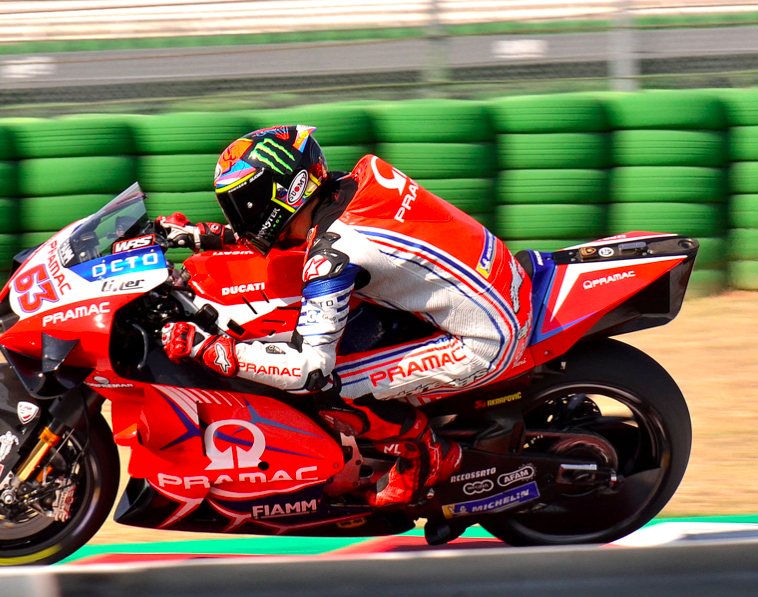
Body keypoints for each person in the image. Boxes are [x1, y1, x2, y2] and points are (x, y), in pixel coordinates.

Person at [158, 124, 532, 507]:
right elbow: (302, 231)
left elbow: (309, 368)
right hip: (498, 281)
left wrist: (214, 350)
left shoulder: (333, 256)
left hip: (486, 337)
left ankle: (426, 456)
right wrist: (213, 236)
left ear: (288, 192)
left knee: (331, 388)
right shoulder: (351, 183)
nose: (242, 216)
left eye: (246, 205)